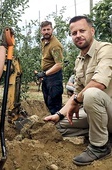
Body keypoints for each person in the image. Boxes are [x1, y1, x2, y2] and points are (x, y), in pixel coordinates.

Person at [44, 15, 112, 166]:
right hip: (97, 113)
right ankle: (101, 133)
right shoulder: (79, 60)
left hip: (110, 111)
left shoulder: (106, 49)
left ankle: (100, 146)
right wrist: (59, 115)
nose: (78, 35)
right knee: (58, 127)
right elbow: (76, 93)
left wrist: (76, 100)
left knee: (91, 93)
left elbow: (98, 84)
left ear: (92, 31)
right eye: (74, 33)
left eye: (82, 30)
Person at [36, 21, 64, 115]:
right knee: (47, 101)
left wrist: (45, 74)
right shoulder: (44, 41)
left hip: (54, 77)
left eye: (48, 29)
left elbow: (59, 64)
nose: (46, 32)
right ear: (41, 31)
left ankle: (59, 126)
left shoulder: (55, 45)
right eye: (44, 30)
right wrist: (43, 74)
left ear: (52, 30)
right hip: (47, 76)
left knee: (54, 104)